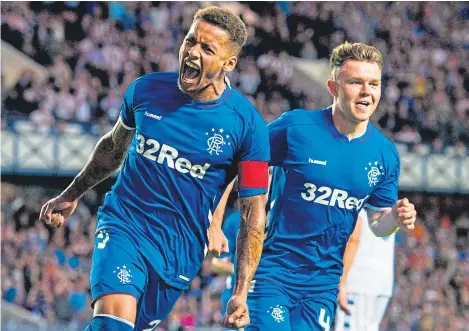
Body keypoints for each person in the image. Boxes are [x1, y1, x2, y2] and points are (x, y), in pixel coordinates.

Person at [39, 6, 270, 331]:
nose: (192, 52)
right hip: (124, 225)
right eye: (190, 41)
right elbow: (113, 146)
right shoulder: (146, 90)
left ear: (229, 63)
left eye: (207, 49)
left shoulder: (250, 128)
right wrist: (73, 192)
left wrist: (242, 291)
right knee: (112, 325)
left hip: (179, 251)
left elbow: (253, 211)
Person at [215, 41, 417, 330]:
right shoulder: (296, 128)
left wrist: (394, 219)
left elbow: (376, 223)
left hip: (322, 287)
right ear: (333, 87)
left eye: (374, 83)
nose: (366, 92)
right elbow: (240, 160)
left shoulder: (384, 154)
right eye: (356, 82)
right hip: (274, 273)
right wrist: (215, 219)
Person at [334, 210, 395, 331]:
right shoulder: (387, 203)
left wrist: (342, 281)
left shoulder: (361, 203)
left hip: (358, 281)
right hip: (383, 283)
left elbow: (353, 240)